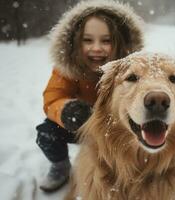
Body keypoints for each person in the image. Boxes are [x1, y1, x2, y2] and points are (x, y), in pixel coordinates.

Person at [35, 0, 144, 192]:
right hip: (81, 124)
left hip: (116, 128)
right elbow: (53, 96)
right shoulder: (68, 69)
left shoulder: (132, 70)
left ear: (119, 43)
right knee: (46, 132)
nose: (96, 48)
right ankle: (60, 166)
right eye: (88, 40)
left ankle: (126, 170)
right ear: (76, 43)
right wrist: (67, 110)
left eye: (106, 40)